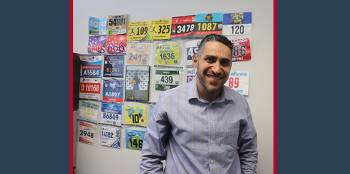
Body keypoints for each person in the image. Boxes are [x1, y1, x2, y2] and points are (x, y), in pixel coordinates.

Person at [140, 34, 258, 174]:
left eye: (224, 62)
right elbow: (150, 158)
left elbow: (249, 153)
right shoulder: (168, 101)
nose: (216, 68)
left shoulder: (240, 103)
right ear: (195, 60)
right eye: (210, 59)